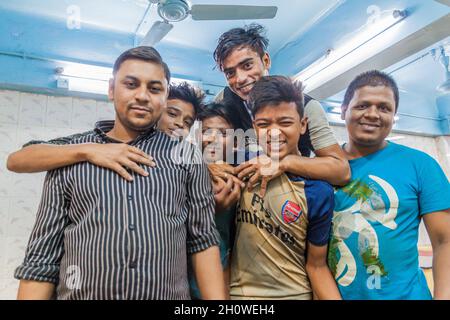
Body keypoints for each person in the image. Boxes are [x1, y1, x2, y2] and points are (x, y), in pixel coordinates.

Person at [14, 46, 226, 300]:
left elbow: (202, 242)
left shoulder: (188, 158)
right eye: (131, 84)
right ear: (111, 89)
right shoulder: (69, 155)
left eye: (154, 88)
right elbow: (41, 258)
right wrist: (89, 151)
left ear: (164, 95)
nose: (143, 96)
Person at [328, 70, 450, 300]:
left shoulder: (420, 165)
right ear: (344, 110)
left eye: (384, 108)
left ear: (394, 116)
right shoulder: (322, 168)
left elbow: (445, 242)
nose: (373, 114)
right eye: (363, 105)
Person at [230, 76, 341, 300]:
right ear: (253, 127)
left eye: (285, 122)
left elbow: (317, 266)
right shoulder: (241, 167)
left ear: (303, 125)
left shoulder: (317, 190)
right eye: (263, 124)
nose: (273, 132)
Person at [212, 24, 350, 193]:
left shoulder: (306, 106)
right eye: (230, 73)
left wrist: (284, 163)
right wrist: (209, 164)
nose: (240, 79)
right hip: (243, 203)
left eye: (247, 65)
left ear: (266, 60)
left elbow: (341, 171)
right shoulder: (224, 100)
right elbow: (193, 145)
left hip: (292, 200)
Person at [6, 82, 205, 181]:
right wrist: (90, 151)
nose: (180, 124)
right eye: (172, 113)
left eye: (187, 122)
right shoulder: (98, 141)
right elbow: (17, 160)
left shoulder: (186, 158)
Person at [188, 102, 241, 299]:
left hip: (221, 284)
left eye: (223, 134)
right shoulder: (183, 174)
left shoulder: (240, 181)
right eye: (207, 131)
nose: (213, 139)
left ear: (236, 143)